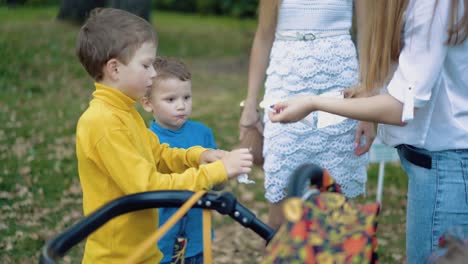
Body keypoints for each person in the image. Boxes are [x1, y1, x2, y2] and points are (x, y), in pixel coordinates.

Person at [269, 0, 468, 262]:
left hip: (446, 169)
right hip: (436, 165)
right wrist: (367, 92)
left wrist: (313, 103)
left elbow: (400, 108)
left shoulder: (433, 4)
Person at [75, 8, 253, 263]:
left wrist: (200, 156)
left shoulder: (125, 112)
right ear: (114, 68)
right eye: (146, 65)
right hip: (119, 257)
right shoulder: (103, 123)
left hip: (144, 251)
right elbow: (148, 188)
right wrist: (216, 172)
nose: (153, 74)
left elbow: (158, 153)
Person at [239, 0, 372, 229]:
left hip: (340, 84)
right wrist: (250, 103)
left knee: (337, 207)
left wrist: (367, 108)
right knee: (280, 211)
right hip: (285, 81)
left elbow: (368, 35)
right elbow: (263, 36)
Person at [140, 57, 217, 264]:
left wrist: (224, 170)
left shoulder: (203, 134)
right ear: (148, 104)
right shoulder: (147, 140)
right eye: (171, 100)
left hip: (198, 237)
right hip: (161, 241)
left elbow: (217, 183)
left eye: (187, 97)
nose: (181, 106)